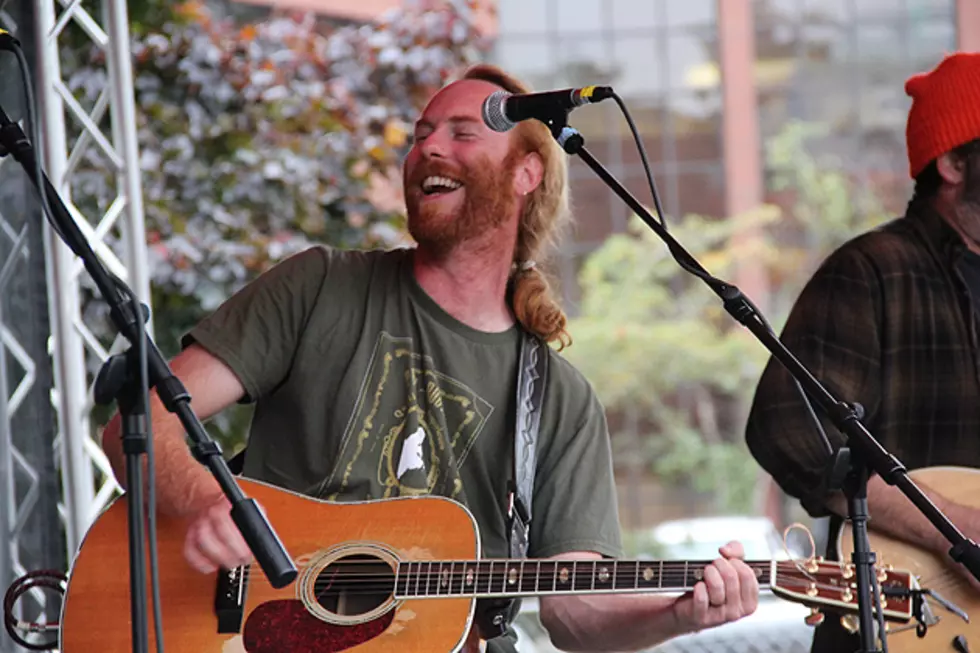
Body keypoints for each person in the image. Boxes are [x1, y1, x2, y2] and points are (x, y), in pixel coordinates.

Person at [101, 63, 758, 652]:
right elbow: (139, 423)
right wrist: (208, 502)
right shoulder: (319, 286)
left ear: (527, 172)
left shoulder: (558, 399)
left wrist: (679, 614)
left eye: (463, 132)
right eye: (421, 133)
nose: (428, 147)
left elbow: (575, 611)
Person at [744, 52, 980, 652]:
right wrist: (953, 528)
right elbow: (790, 434)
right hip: (910, 618)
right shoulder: (872, 271)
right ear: (952, 164)